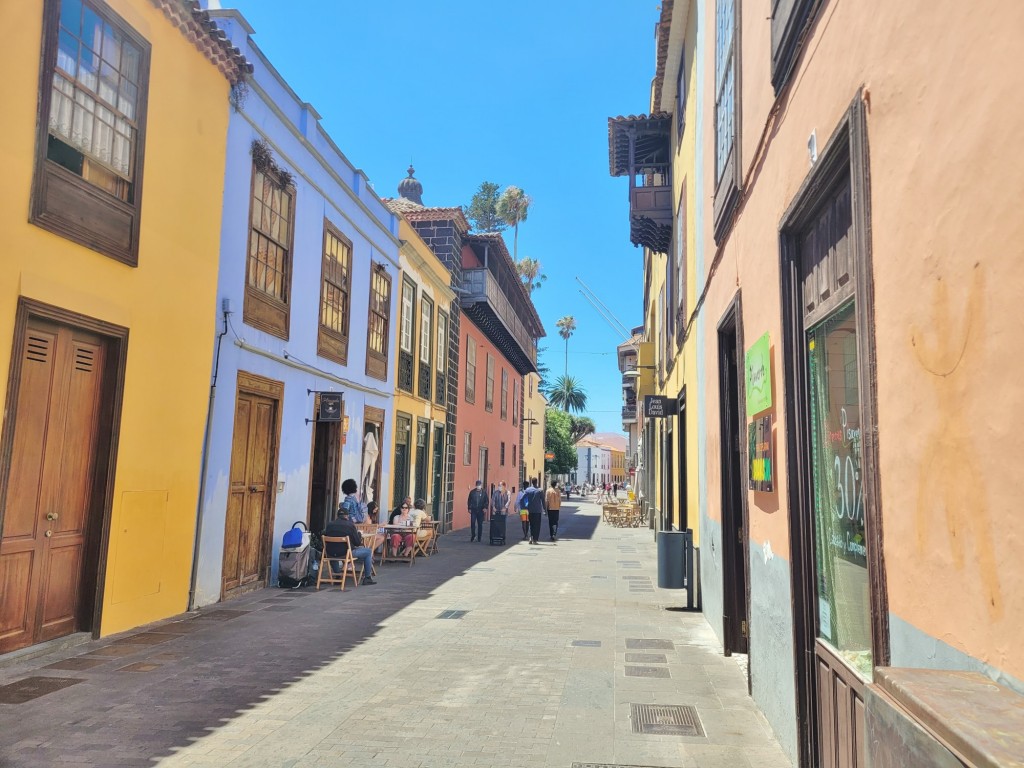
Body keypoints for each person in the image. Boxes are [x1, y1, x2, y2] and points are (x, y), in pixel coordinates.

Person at [324, 504, 375, 585]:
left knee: (334, 549)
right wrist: (359, 534)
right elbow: (357, 543)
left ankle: (338, 575)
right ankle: (367, 578)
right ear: (347, 516)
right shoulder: (350, 525)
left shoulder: (329, 525)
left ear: (337, 516)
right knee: (368, 551)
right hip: (346, 553)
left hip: (330, 554)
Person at [525, 477, 545, 545]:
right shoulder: (540, 490)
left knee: (530, 524)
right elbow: (543, 501)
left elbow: (523, 498)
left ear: (531, 482)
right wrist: (545, 510)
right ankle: (535, 539)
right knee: (537, 525)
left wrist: (526, 505)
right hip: (537, 511)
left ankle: (530, 537)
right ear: (537, 482)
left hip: (530, 510)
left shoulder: (528, 490)